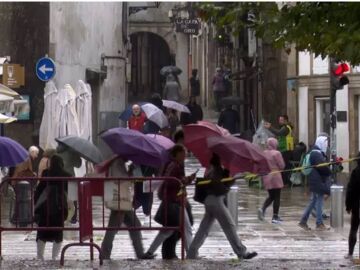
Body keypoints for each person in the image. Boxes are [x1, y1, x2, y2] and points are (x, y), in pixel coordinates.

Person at [187, 153, 257, 260]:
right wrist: (229, 182)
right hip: (216, 201)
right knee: (229, 227)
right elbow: (219, 187)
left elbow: (218, 184)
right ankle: (242, 252)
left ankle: (191, 253)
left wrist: (230, 179)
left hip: (209, 201)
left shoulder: (211, 170)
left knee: (203, 229)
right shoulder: (218, 171)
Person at [143, 144, 196, 259]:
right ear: (176, 154)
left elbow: (178, 182)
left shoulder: (176, 165)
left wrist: (187, 179)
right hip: (174, 202)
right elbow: (170, 181)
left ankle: (190, 253)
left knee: (176, 228)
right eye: (182, 154)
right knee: (171, 229)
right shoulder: (173, 165)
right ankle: (191, 253)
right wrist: (183, 180)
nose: (184, 157)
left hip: (177, 201)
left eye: (185, 155)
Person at [100, 156, 150, 260]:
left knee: (134, 225)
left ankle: (140, 254)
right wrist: (130, 173)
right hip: (119, 202)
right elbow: (121, 181)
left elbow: (124, 179)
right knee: (112, 229)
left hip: (123, 202)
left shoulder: (119, 162)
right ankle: (104, 255)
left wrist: (130, 172)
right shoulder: (117, 163)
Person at [34, 155, 69, 260]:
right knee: (58, 233)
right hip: (60, 208)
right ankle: (55, 257)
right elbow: (70, 192)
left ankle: (40, 256)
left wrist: (36, 204)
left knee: (42, 231)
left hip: (46, 208)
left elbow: (39, 189)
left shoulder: (46, 173)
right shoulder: (66, 175)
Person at [298, 135, 331, 231]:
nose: (326, 145)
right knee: (318, 202)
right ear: (321, 143)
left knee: (313, 202)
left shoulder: (316, 152)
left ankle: (303, 221)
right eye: (325, 143)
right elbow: (322, 167)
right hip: (318, 181)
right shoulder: (316, 154)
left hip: (316, 180)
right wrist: (329, 171)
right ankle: (319, 223)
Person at [258, 138, 285, 224]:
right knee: (277, 197)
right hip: (275, 176)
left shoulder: (264, 153)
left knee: (271, 196)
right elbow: (282, 165)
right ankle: (275, 216)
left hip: (267, 176)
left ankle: (262, 209)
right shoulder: (277, 153)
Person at [264, 115, 294, 185]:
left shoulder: (286, 128)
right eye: (279, 120)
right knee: (285, 167)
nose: (279, 121)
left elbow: (279, 133)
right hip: (283, 149)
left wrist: (270, 127)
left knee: (284, 167)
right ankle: (285, 182)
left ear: (286, 120)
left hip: (286, 150)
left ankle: (286, 182)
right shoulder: (284, 127)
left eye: (281, 120)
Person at [345, 152, 360, 259]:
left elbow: (350, 190)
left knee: (354, 229)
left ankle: (350, 253)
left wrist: (348, 205)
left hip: (357, 205)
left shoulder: (356, 171)